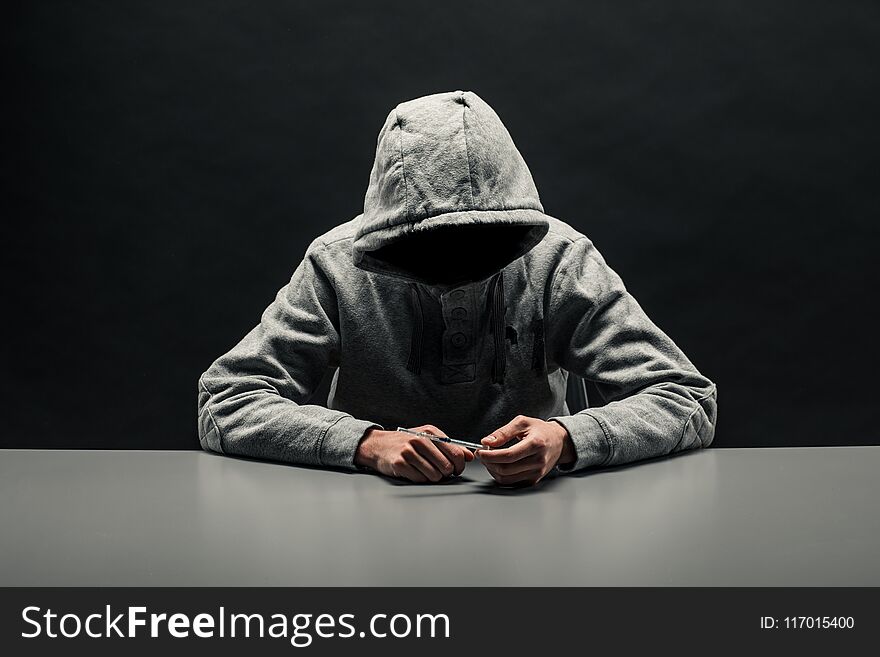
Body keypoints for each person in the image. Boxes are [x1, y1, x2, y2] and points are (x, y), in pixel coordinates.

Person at [197, 90, 717, 486]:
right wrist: (366, 444)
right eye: (431, 240)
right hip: (369, 520)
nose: (456, 261)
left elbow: (687, 399)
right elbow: (225, 402)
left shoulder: (559, 259)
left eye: (480, 234)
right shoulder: (336, 265)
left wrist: (566, 439)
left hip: (539, 518)